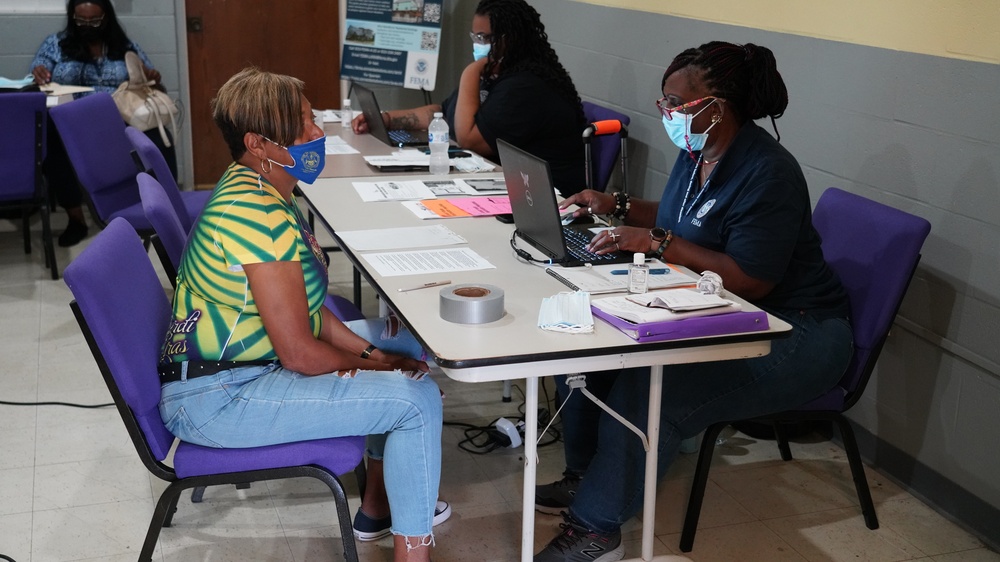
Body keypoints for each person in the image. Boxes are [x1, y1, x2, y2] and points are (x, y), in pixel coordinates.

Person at [533, 41, 854, 561]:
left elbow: (750, 281)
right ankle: (585, 477)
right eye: (665, 102)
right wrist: (616, 204)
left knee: (651, 385)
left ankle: (595, 529)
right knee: (589, 350)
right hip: (724, 311)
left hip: (795, 331)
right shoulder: (699, 150)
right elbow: (687, 215)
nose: (667, 113)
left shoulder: (768, 173)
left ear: (717, 106)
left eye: (677, 103)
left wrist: (656, 243)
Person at [157, 67, 447, 562]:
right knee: (415, 400)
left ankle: (377, 507)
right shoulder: (257, 217)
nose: (318, 136)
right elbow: (299, 352)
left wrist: (378, 353)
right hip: (220, 398)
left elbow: (311, 313)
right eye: (305, 126)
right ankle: (412, 553)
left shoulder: (265, 189)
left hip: (244, 371)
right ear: (259, 143)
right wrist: (382, 369)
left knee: (408, 344)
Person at [352, 0, 587, 195]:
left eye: (484, 38)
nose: (477, 45)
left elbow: (468, 140)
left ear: (508, 39)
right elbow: (442, 113)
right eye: (474, 36)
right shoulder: (495, 73)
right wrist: (388, 119)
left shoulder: (525, 86)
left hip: (542, 196)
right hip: (502, 181)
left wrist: (470, 72)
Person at [30, 0, 174, 247]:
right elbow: (38, 76)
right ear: (72, 17)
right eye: (81, 20)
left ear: (106, 18)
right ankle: (76, 218)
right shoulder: (56, 44)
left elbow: (152, 82)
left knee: (157, 134)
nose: (87, 26)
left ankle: (166, 205)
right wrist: (39, 73)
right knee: (52, 137)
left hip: (119, 119)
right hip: (73, 121)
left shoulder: (124, 47)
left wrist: (153, 78)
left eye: (94, 21)